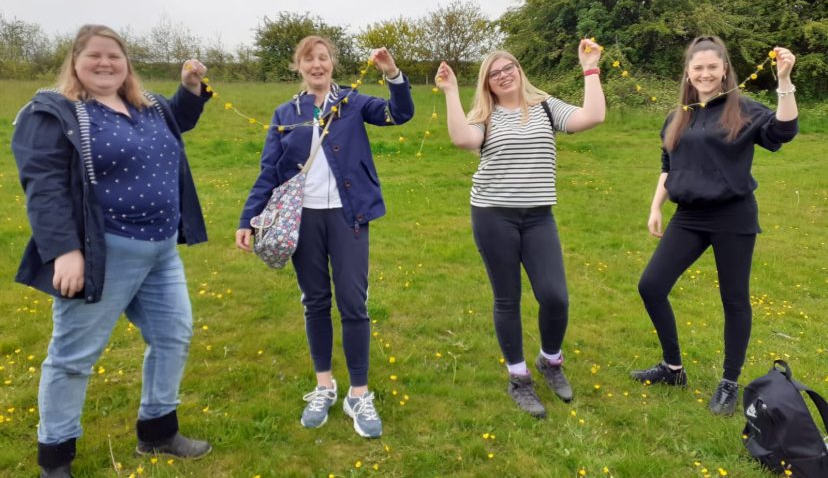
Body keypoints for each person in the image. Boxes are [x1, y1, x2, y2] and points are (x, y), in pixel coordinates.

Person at [11, 25, 213, 477]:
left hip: (162, 250)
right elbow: (43, 187)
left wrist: (189, 88)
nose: (105, 64)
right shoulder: (54, 112)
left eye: (114, 57)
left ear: (127, 65)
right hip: (105, 253)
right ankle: (55, 458)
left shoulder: (150, 106)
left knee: (172, 337)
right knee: (73, 357)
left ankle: (158, 431)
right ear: (75, 62)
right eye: (95, 56)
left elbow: (182, 117)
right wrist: (65, 250)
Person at [236, 36, 414, 438]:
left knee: (354, 303)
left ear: (333, 64)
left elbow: (398, 114)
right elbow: (269, 171)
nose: (317, 65)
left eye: (323, 58)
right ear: (298, 67)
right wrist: (249, 218)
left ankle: (358, 393)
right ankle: (324, 385)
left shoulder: (352, 102)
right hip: (303, 219)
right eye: (308, 60)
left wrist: (392, 74)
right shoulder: (286, 112)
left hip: (349, 216)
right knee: (315, 300)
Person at [435, 41, 606, 418]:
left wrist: (590, 68)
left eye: (508, 67)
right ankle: (518, 378)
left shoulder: (545, 107)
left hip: (538, 216)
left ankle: (550, 361)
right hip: (493, 215)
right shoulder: (485, 114)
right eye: (495, 73)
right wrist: (450, 93)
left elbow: (593, 116)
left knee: (555, 296)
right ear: (488, 83)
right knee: (507, 298)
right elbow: (463, 139)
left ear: (518, 70)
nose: (503, 75)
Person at [631, 36, 798, 417]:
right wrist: (656, 206)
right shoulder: (678, 116)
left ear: (724, 70)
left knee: (734, 299)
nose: (704, 74)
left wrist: (784, 81)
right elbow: (668, 165)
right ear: (688, 73)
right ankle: (673, 368)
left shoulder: (744, 110)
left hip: (733, 216)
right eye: (697, 68)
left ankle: (728, 381)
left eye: (712, 67)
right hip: (688, 216)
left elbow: (783, 132)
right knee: (651, 286)